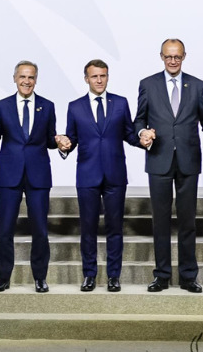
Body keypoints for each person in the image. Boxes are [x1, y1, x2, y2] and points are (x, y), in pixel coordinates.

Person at [134, 39, 203, 293]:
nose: (173, 61)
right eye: (169, 57)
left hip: (188, 160)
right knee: (160, 222)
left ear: (184, 57)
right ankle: (161, 276)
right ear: (161, 56)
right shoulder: (147, 84)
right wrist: (142, 133)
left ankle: (188, 277)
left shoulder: (197, 85)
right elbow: (138, 119)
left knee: (188, 221)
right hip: (158, 160)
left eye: (178, 57)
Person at [56, 60, 141, 293]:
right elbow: (71, 140)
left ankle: (114, 276)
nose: (99, 80)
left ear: (108, 76)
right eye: (94, 76)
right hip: (87, 176)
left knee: (115, 228)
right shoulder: (75, 107)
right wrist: (64, 145)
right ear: (86, 79)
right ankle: (89, 275)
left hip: (115, 175)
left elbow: (129, 134)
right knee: (88, 228)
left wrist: (145, 138)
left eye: (103, 75)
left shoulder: (120, 103)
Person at [0, 61, 58, 293]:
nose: (26, 81)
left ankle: (40, 278)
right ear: (14, 78)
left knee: (41, 230)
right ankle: (3, 278)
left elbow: (50, 140)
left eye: (31, 77)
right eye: (22, 77)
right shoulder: (2, 106)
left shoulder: (48, 106)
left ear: (36, 79)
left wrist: (61, 142)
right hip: (8, 176)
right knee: (4, 229)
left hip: (39, 175)